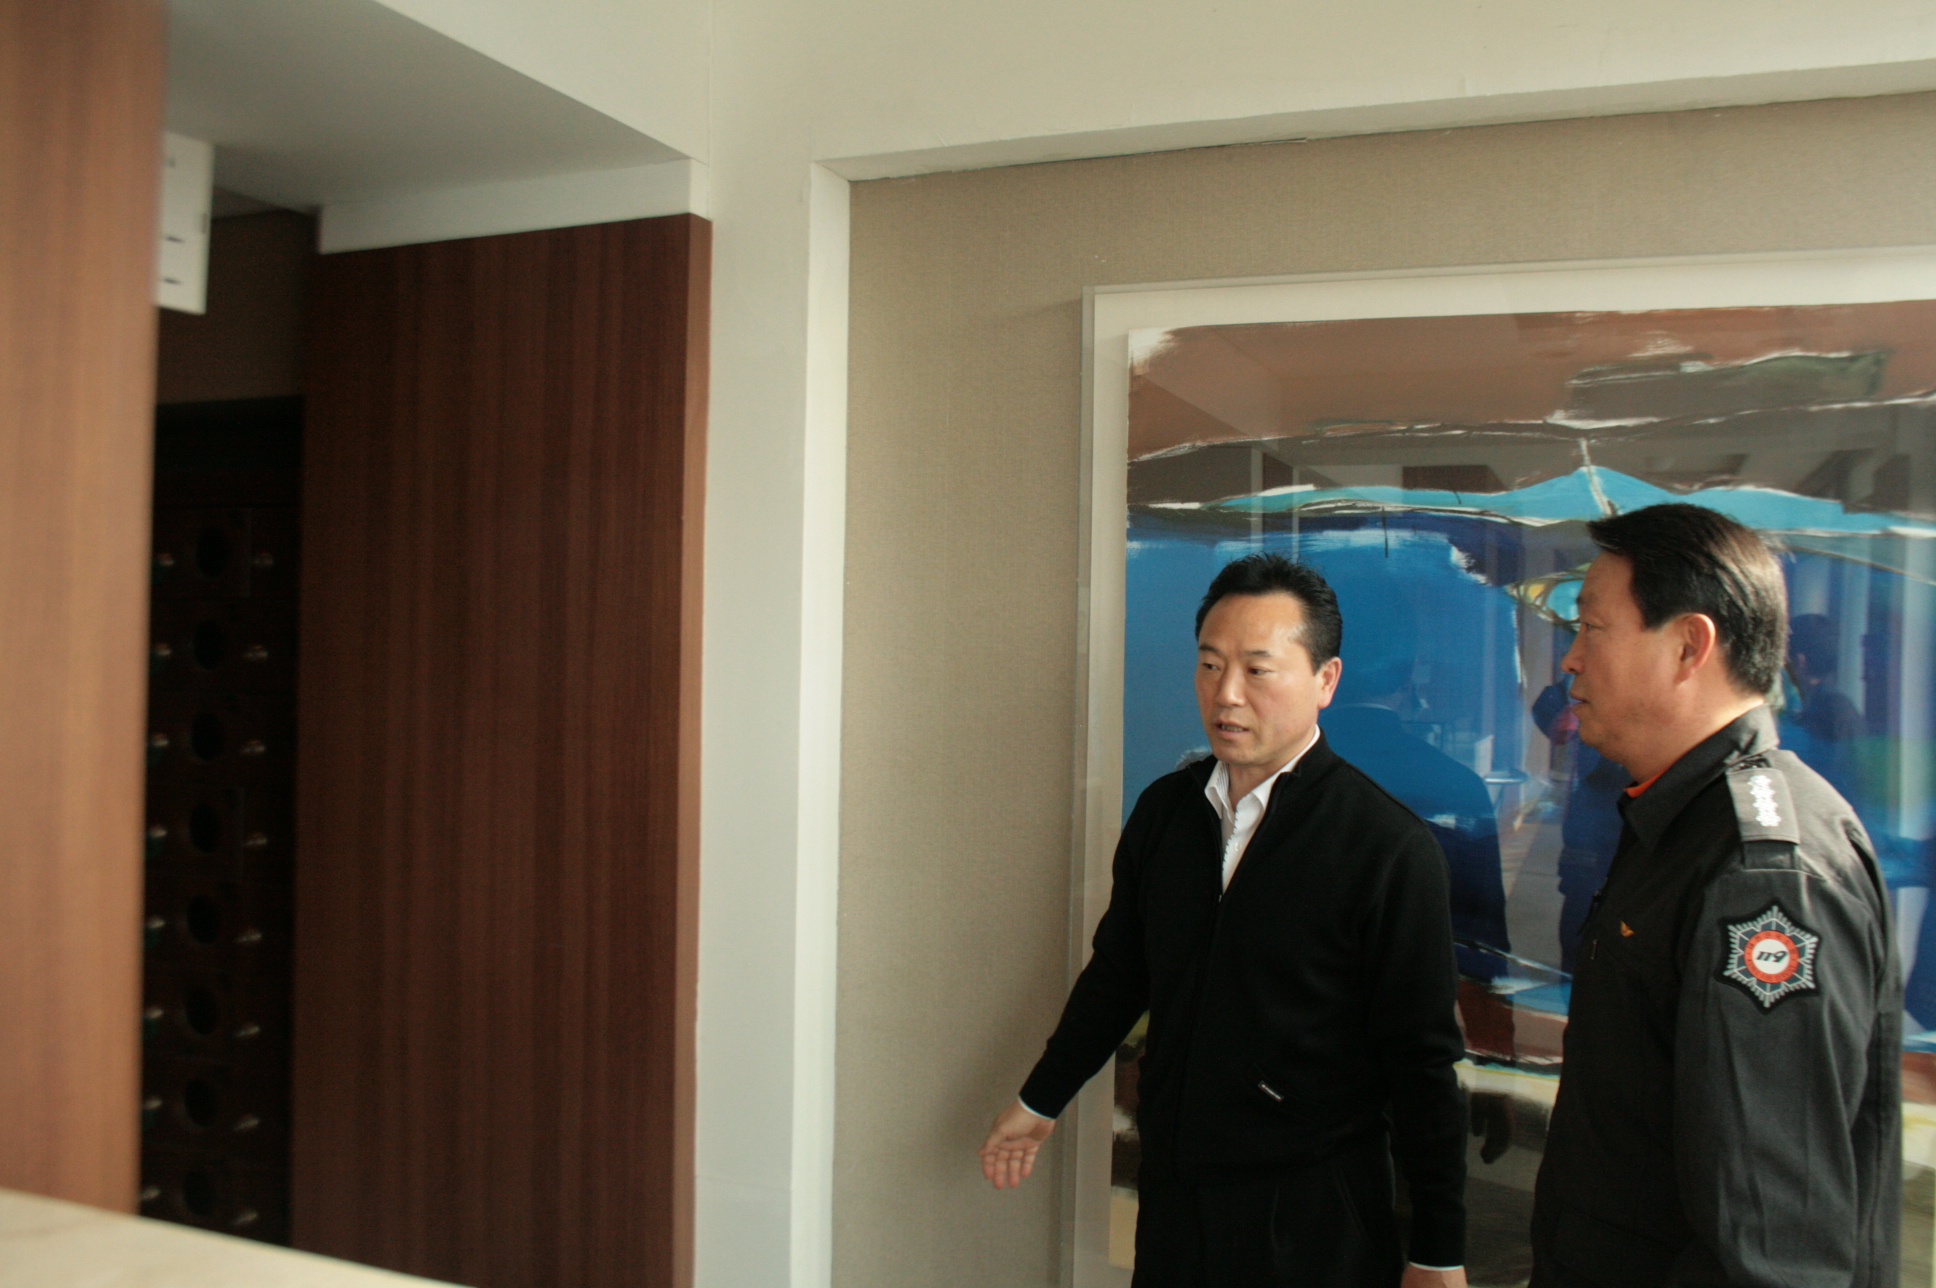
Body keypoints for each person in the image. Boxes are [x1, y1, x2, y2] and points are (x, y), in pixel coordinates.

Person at [979, 554, 1469, 1287]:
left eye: (1257, 670)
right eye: (1210, 665)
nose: (1226, 694)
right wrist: (1040, 1100)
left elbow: (1422, 1062)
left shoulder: (1386, 847)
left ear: (1326, 680)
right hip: (1175, 1194)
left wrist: (1437, 1248)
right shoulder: (1167, 813)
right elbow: (1119, 974)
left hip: (1310, 1214)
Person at [1529, 504, 1901, 1286]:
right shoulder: (1679, 819)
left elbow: (1773, 1246)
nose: (1571, 660)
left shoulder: (1759, 878)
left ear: (1688, 646)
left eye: (1591, 627)